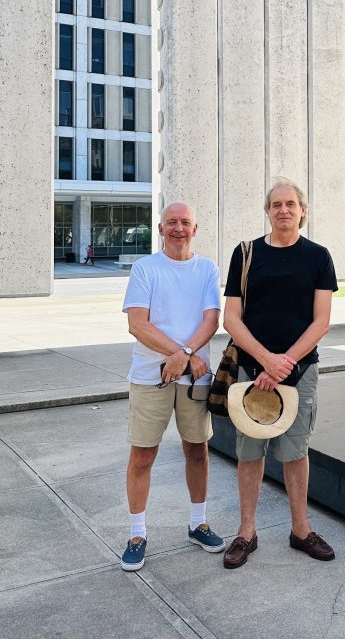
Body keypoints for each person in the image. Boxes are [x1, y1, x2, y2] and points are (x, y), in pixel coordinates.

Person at [221, 178, 338, 568]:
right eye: (276, 205)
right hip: (250, 370)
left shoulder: (318, 256)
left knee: (295, 452)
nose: (283, 210)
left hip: (300, 372)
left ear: (303, 211)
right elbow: (231, 318)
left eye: (291, 204)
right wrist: (265, 361)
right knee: (249, 452)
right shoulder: (246, 253)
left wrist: (283, 362)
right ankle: (246, 532)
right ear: (268, 211)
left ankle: (301, 530)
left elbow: (321, 321)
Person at [120, 202, 223, 571]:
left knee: (197, 451)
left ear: (195, 229)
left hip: (195, 379)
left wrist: (186, 355)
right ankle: (137, 534)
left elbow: (211, 320)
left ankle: (198, 524)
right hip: (150, 377)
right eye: (171, 222)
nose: (179, 228)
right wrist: (182, 354)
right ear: (161, 228)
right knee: (142, 456)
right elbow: (137, 323)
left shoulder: (207, 268)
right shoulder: (145, 268)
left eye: (185, 222)